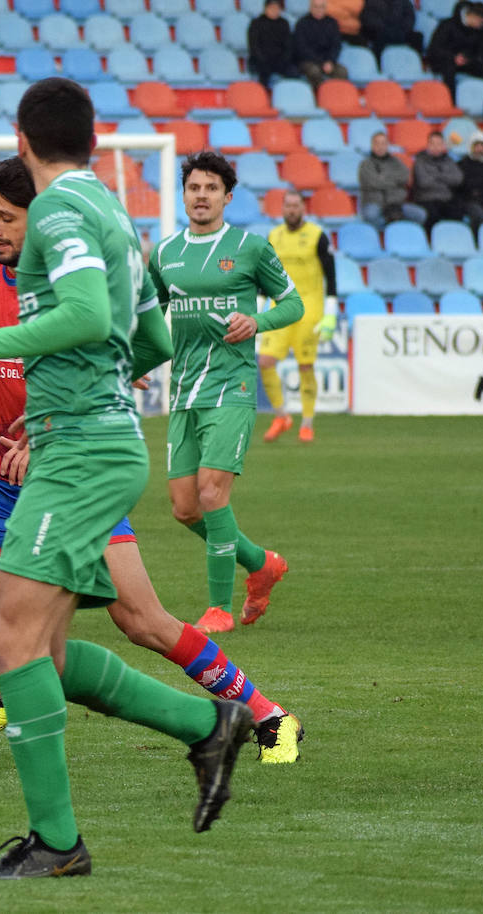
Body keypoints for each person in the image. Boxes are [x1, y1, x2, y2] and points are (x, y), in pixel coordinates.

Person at [0, 156, 303, 766]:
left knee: (143, 621)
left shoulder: (76, 291)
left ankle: (269, 715)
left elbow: (152, 343)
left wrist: (59, 418)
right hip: (0, 480)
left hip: (74, 478)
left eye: (7, 218)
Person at [0, 78, 256, 880]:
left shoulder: (61, 209)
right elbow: (152, 335)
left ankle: (59, 844)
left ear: (23, 143)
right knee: (44, 652)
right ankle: (208, 724)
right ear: (92, 141)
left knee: (7, 639)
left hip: (83, 455)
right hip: (89, 438)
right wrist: (75, 396)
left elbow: (90, 316)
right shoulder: (111, 209)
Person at [148, 150, 302, 635]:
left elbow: (293, 302)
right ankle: (262, 564)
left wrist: (258, 320)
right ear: (184, 194)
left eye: (211, 188)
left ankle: (217, 608)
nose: (201, 195)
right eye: (194, 187)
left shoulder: (250, 248)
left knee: (212, 494)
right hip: (184, 389)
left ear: (226, 196)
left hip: (232, 386)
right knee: (184, 506)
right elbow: (151, 319)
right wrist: (135, 364)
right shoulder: (164, 253)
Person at [259, 190, 338, 445]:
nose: (292, 210)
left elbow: (331, 276)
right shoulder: (274, 236)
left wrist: (331, 314)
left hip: (309, 310)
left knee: (305, 366)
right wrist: (259, 307)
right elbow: (264, 272)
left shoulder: (317, 236)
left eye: (296, 205)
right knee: (265, 361)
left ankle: (306, 423)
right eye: (288, 206)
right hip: (279, 308)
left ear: (303, 208)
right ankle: (282, 415)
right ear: (282, 209)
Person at [358, 131, 428, 228]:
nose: (380, 147)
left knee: (420, 214)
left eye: (383, 143)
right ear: (372, 146)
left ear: (388, 145)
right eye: (377, 143)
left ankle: (397, 226)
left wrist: (382, 178)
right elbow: (373, 183)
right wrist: (394, 181)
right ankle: (393, 226)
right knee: (371, 215)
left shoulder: (396, 162)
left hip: (397, 203)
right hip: (375, 203)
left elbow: (405, 176)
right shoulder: (365, 164)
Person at [426, 1, 483, 91]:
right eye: (481, 22)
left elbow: (480, 50)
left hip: (465, 61)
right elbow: (434, 49)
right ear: (474, 17)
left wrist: (468, 57)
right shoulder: (447, 25)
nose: (481, 25)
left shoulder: (478, 32)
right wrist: (453, 57)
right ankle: (451, 100)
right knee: (449, 69)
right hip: (445, 60)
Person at [413, 130, 468, 229]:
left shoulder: (449, 160)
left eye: (439, 144)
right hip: (426, 198)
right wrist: (445, 178)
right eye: (432, 144)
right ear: (428, 145)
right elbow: (424, 182)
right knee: (433, 215)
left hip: (446, 198)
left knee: (457, 212)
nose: (435, 147)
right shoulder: (420, 160)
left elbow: (458, 179)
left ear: (443, 146)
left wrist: (436, 176)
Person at [294, 0, 351, 88]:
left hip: (328, 61)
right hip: (308, 61)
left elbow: (336, 45)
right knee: (314, 71)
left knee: (342, 71)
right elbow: (302, 48)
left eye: (321, 7)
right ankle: (319, 97)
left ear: (325, 8)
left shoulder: (332, 23)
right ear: (310, 8)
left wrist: (330, 61)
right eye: (316, 7)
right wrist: (321, 62)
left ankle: (335, 95)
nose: (318, 10)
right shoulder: (302, 23)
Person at [248, 0, 298, 91]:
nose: (274, 11)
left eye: (277, 8)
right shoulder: (256, 23)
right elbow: (254, 46)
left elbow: (289, 46)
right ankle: (262, 97)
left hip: (280, 60)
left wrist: (283, 59)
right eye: (272, 8)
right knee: (263, 73)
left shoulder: (284, 23)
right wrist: (263, 59)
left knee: (293, 72)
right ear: (265, 9)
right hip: (262, 60)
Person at [359, 0, 424, 57]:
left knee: (417, 37)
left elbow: (410, 16)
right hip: (380, 31)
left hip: (400, 31)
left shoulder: (404, 1)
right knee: (379, 38)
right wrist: (385, 29)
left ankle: (414, 65)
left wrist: (402, 29)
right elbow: (368, 17)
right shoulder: (371, 2)